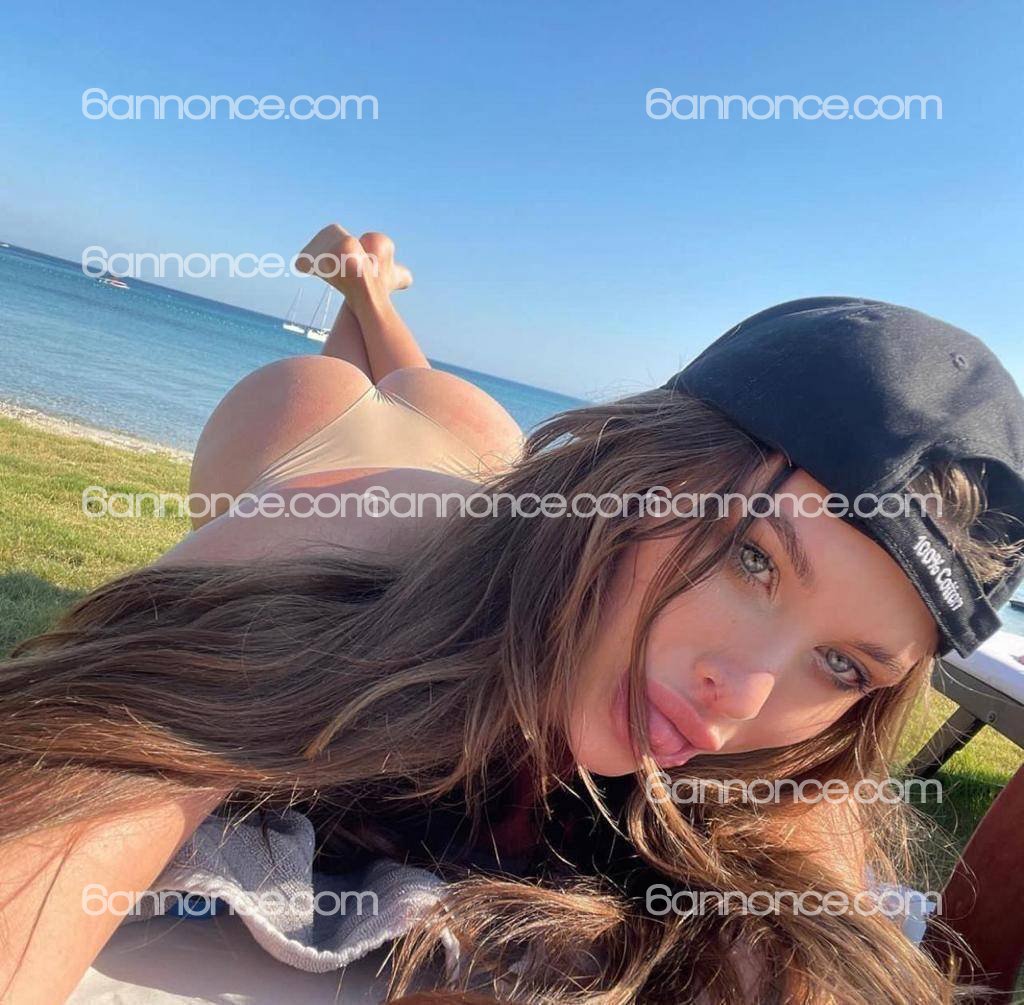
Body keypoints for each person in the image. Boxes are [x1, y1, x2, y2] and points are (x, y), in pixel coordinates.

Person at [3, 223, 1024, 1004]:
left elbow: (806, 946)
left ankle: (371, 282)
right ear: (633, 468)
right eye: (749, 557)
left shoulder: (788, 761)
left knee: (426, 385)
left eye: (844, 664)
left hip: (481, 447)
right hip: (309, 435)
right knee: (352, 379)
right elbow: (93, 784)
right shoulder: (357, 527)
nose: (744, 695)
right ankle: (359, 289)